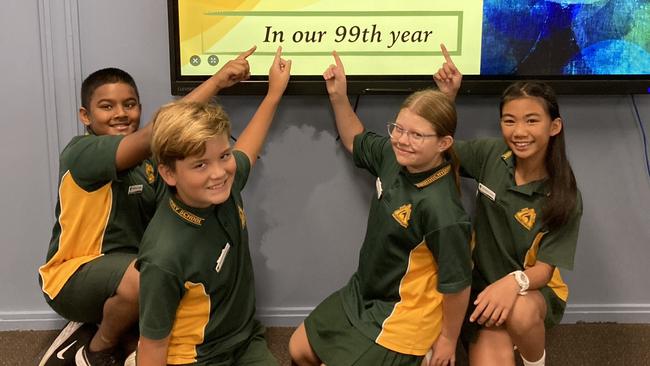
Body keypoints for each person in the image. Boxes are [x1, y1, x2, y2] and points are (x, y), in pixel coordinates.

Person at [37, 47, 257, 366]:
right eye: (106, 106)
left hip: (127, 269)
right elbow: (159, 131)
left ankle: (120, 331)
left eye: (129, 105)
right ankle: (95, 349)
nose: (120, 113)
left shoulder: (152, 163)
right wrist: (219, 81)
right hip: (73, 275)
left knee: (168, 276)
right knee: (148, 276)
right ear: (85, 116)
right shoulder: (82, 153)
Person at [289, 51, 472, 366]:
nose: (402, 140)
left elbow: (458, 286)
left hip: (403, 314)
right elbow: (354, 140)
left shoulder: (444, 212)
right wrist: (338, 96)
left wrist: (447, 341)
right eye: (399, 129)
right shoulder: (393, 155)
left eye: (416, 135)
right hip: (364, 292)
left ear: (443, 144)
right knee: (297, 350)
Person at [134, 47, 290, 366]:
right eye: (200, 165)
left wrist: (274, 94)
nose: (219, 172)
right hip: (195, 358)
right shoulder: (164, 256)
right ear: (168, 173)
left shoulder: (223, 186)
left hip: (243, 341)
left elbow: (247, 148)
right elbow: (152, 347)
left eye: (223, 156)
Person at [433, 44, 583, 366]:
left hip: (530, 291)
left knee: (522, 311)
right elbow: (438, 149)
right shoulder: (490, 154)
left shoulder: (564, 194)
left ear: (553, 127)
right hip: (482, 287)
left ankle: (534, 360)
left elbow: (544, 269)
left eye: (532, 120)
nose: (519, 132)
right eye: (509, 121)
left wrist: (513, 282)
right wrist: (447, 96)